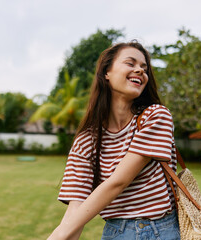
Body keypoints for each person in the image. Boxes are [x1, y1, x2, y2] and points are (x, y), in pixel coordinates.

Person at [48, 41, 180, 240]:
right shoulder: (86, 140)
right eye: (130, 63)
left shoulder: (156, 116)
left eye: (144, 68)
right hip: (115, 233)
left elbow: (118, 182)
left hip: (161, 231)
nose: (139, 70)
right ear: (106, 73)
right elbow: (75, 211)